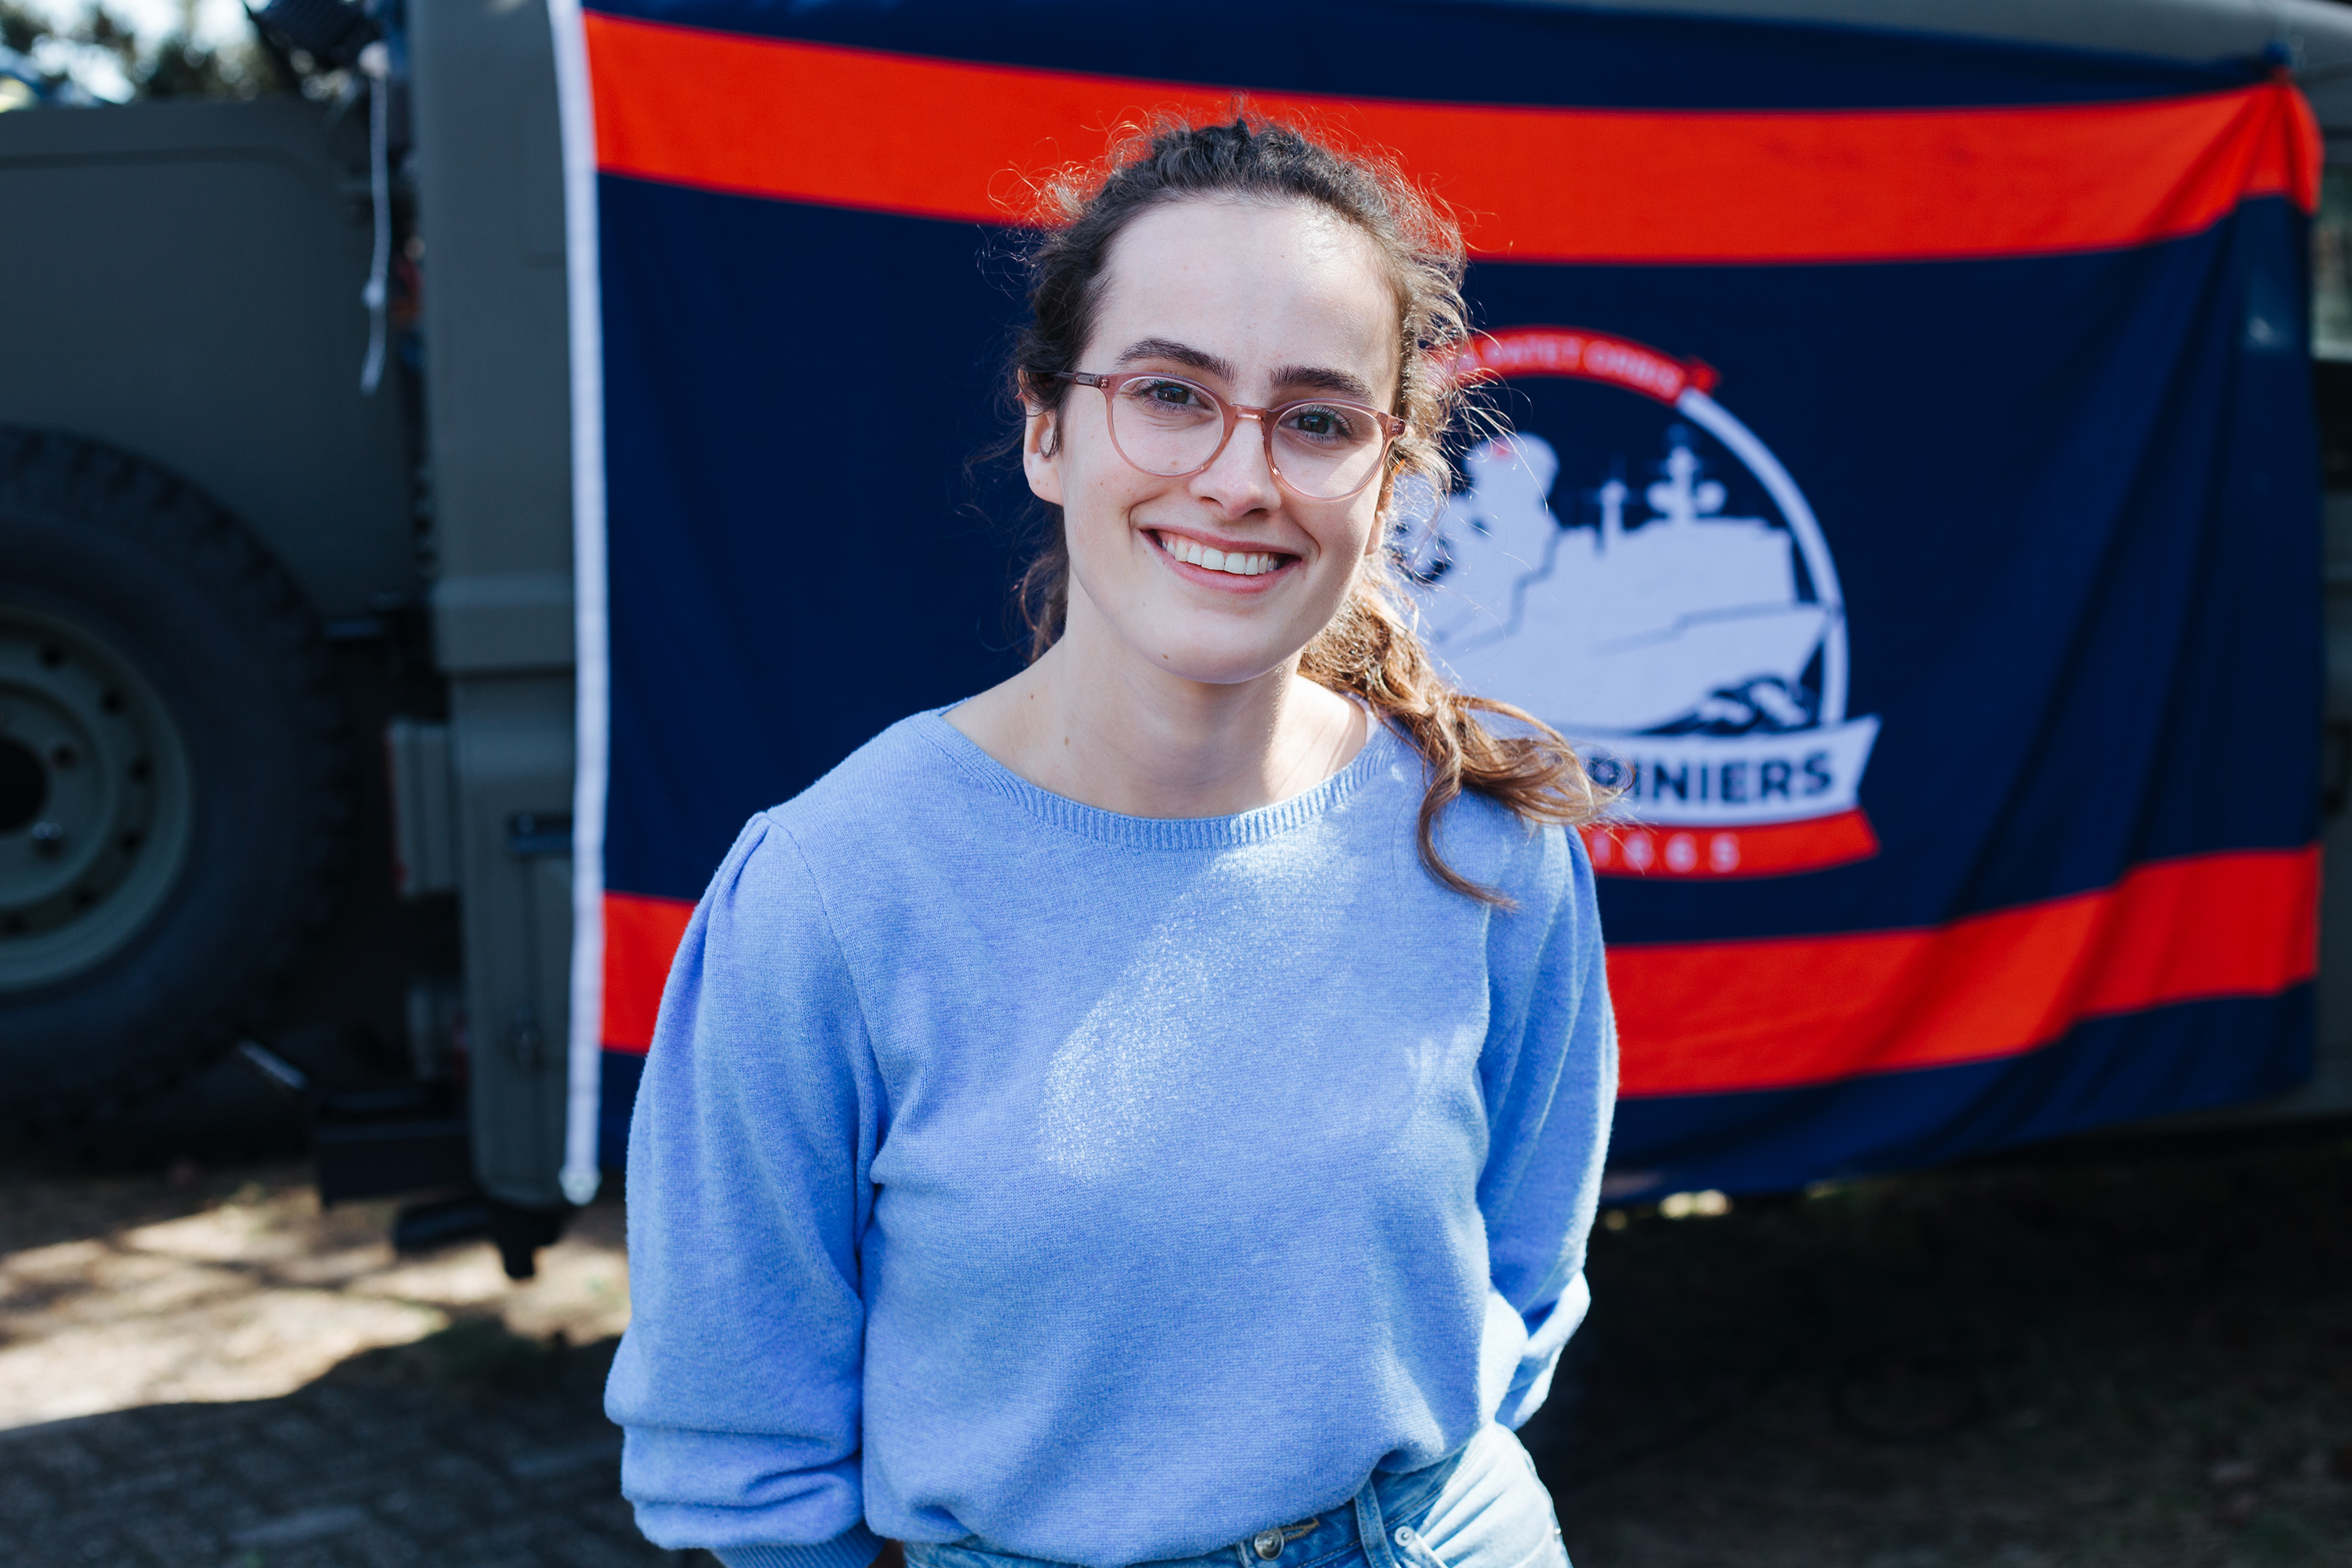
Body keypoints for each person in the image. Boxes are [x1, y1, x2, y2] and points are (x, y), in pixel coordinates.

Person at [608, 116, 1619, 1568]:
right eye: (1170, 394)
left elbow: (1522, 1278)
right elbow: (738, 1449)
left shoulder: (1484, 842)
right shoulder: (831, 891)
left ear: (1390, 475)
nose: (1238, 478)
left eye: (1319, 418)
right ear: (1045, 428)